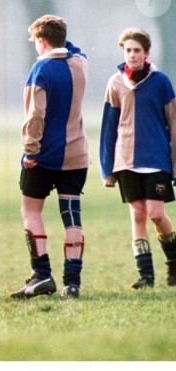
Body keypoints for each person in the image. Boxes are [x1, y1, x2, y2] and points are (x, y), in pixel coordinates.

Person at [10, 15, 90, 299]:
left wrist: (30, 152)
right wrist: (55, 37)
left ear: (41, 42)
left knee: (31, 212)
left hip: (44, 157)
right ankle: (72, 282)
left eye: (35, 41)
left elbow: (35, 116)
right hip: (77, 156)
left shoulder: (40, 70)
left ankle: (42, 275)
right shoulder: (80, 63)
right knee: (72, 218)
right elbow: (74, 48)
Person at [100, 28, 176, 289]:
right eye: (128, 50)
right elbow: (108, 128)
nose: (132, 55)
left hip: (156, 158)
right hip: (126, 160)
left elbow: (174, 124)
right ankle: (146, 275)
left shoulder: (161, 82)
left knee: (156, 213)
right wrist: (106, 170)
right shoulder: (116, 83)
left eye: (136, 50)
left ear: (146, 54)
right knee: (137, 214)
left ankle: (173, 262)